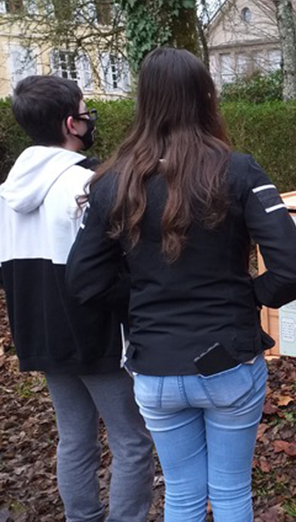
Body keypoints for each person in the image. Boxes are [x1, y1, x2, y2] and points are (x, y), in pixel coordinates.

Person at [66, 48, 296, 522]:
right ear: (207, 98)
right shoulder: (238, 170)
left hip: (155, 367)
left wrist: (141, 301)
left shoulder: (113, 181)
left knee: (181, 494)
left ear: (144, 102)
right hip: (229, 363)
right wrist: (249, 297)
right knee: (229, 493)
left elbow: (84, 280)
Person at [0, 75, 154, 522]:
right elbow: (119, 258)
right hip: (96, 330)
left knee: (74, 437)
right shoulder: (88, 183)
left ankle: (82, 517)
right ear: (72, 123)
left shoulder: (8, 192)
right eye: (86, 112)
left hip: (39, 331)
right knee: (131, 440)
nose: (90, 120)